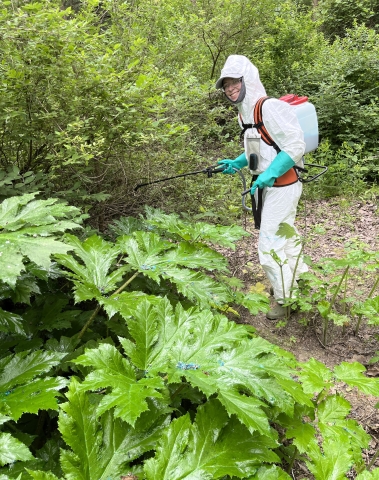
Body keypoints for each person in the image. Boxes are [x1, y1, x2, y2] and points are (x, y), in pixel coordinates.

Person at [215, 54, 308, 320]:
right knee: (286, 234)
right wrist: (236, 162)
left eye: (234, 83)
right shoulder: (245, 115)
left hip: (283, 185)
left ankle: (285, 299)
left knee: (269, 244)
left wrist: (272, 173)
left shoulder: (270, 107)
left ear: (247, 80)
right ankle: (298, 278)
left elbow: (294, 145)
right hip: (267, 187)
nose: (230, 89)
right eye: (226, 85)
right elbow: (257, 150)